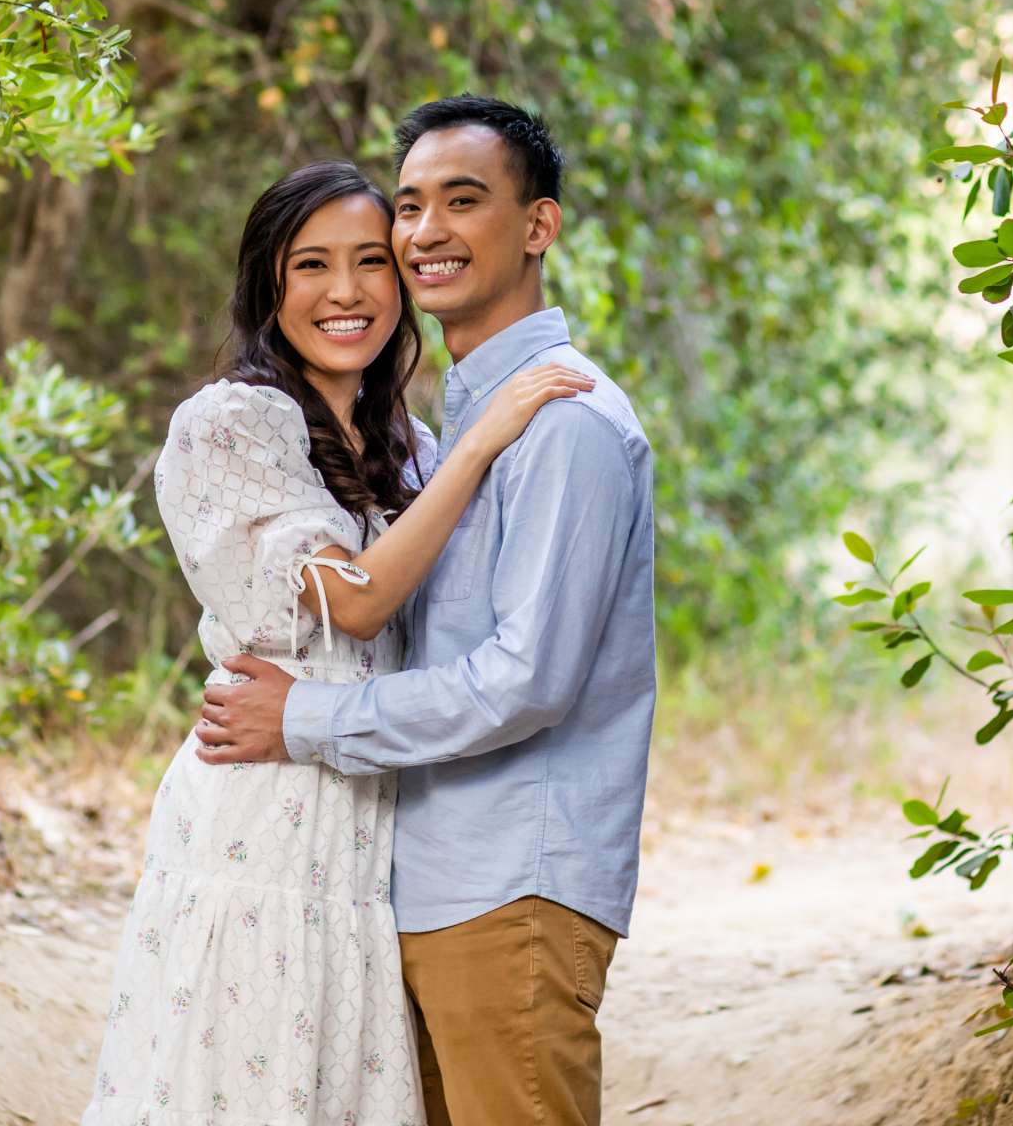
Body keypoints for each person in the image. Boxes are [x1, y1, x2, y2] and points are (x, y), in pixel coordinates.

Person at [81, 157, 592, 1126]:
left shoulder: (403, 443)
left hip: (361, 848)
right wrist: (484, 441)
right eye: (312, 264)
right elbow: (353, 602)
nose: (347, 292)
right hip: (256, 836)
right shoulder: (230, 424)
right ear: (268, 282)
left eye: (370, 262)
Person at [199, 98, 657, 1126]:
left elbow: (527, 678)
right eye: (409, 207)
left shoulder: (564, 424)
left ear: (537, 224)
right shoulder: (442, 434)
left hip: (510, 890)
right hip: (427, 885)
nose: (425, 233)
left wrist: (303, 722)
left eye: (463, 201)